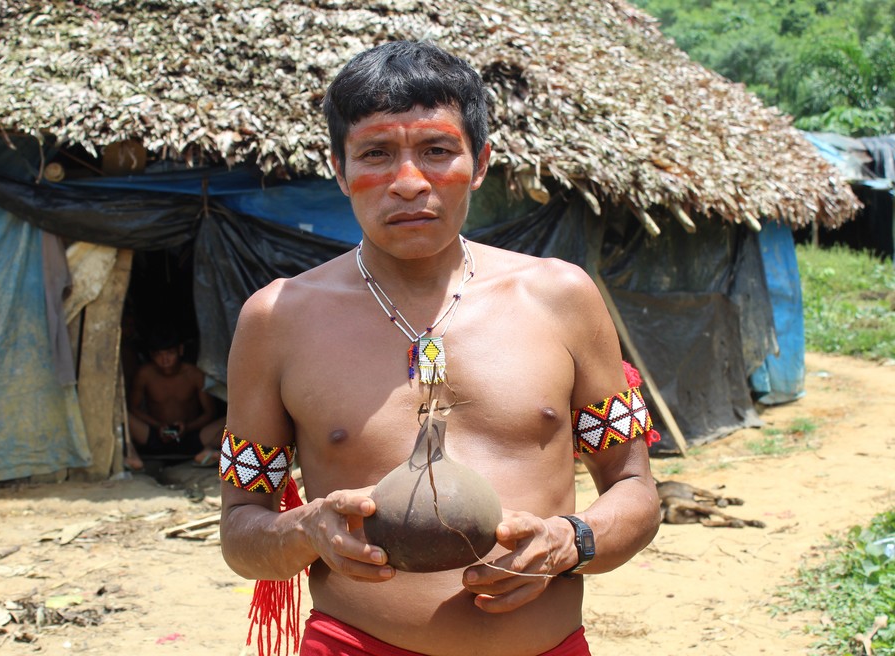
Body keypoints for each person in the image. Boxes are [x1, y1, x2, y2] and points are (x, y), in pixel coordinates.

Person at [219, 40, 660, 656]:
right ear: (339, 169)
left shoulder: (562, 298)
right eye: (375, 154)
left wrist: (572, 540)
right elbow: (242, 529)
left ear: (479, 164)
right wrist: (306, 529)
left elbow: (635, 487)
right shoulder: (278, 319)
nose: (407, 182)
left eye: (436, 151)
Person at [127, 327, 224, 466]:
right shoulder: (145, 374)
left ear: (180, 350)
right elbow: (134, 409)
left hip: (193, 436)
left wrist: (187, 427)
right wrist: (159, 426)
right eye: (159, 354)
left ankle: (209, 452)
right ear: (151, 355)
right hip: (154, 434)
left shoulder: (195, 374)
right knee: (121, 414)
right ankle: (132, 455)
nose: (164, 360)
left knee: (230, 419)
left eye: (170, 353)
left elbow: (210, 412)